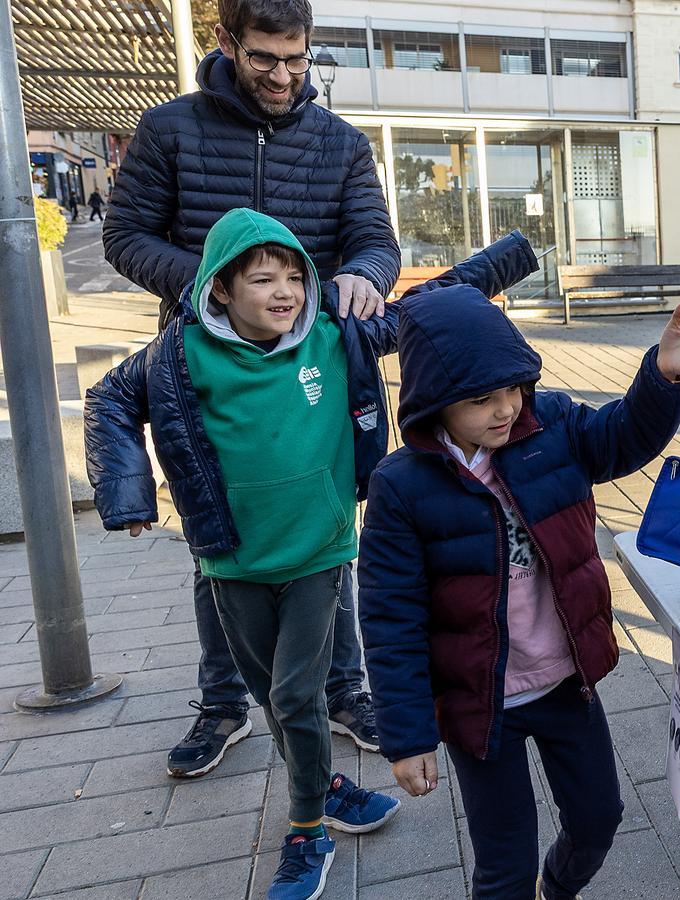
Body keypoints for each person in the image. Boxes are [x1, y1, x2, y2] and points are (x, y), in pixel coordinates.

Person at [84, 207, 536, 898]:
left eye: (296, 275)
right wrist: (127, 496)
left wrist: (511, 255)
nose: (286, 290)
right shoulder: (179, 352)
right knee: (273, 695)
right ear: (222, 289)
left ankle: (306, 832)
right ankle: (324, 781)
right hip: (229, 558)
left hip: (319, 553)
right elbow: (109, 397)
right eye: (263, 278)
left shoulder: (334, 335)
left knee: (296, 694)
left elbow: (431, 302)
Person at [102, 0, 401, 776]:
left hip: (307, 365)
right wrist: (216, 290)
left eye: (297, 58)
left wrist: (365, 275)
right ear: (225, 41)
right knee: (218, 536)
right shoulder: (170, 129)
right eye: (265, 58)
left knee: (321, 526)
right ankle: (224, 702)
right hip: (205, 367)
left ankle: (344, 690)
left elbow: (374, 236)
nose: (283, 75)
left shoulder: (339, 143)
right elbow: (125, 235)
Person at [357, 288, 680, 899]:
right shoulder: (401, 487)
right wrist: (409, 735)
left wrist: (660, 378)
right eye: (481, 399)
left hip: (564, 682)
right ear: (433, 401)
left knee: (599, 819)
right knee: (504, 864)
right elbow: (390, 617)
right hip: (481, 703)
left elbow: (620, 439)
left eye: (513, 389)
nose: (504, 410)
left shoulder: (549, 424)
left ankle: (558, 887)